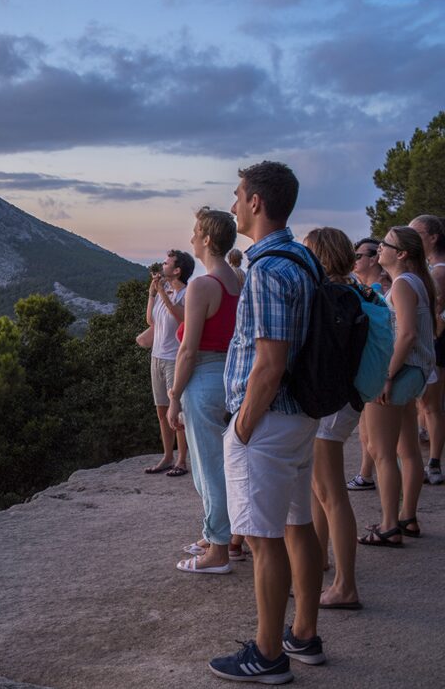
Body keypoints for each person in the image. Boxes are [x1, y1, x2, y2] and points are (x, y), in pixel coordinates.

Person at [208, 161, 324, 684]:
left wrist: (242, 428)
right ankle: (304, 635)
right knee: (298, 524)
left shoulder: (268, 270)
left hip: (269, 422)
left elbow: (270, 362)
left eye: (237, 195)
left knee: (262, 540)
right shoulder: (302, 259)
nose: (233, 205)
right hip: (300, 417)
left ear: (256, 202)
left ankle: (268, 654)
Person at [167, 208, 247, 573]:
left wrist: (172, 397)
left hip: (203, 378)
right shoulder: (237, 282)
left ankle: (218, 551)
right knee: (224, 462)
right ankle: (223, 534)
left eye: (196, 232)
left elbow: (188, 349)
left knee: (208, 466)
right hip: (231, 376)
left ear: (208, 240)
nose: (191, 240)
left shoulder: (203, 285)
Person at [303, 228, 370, 610]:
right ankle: (321, 559)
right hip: (346, 400)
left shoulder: (326, 295)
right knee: (320, 490)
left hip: (329, 405)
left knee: (331, 494)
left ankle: (345, 586)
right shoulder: (356, 291)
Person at [360, 225, 435, 546]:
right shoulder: (416, 281)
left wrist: (385, 376)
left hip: (398, 374)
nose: (379, 249)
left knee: (382, 452)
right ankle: (408, 517)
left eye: (385, 245)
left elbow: (406, 334)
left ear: (401, 254)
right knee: (406, 448)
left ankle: (389, 524)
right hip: (415, 373)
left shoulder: (403, 284)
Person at [144, 249, 194, 476]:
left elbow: (181, 318)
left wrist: (163, 294)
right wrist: (152, 293)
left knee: (177, 414)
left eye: (166, 264)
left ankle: (182, 460)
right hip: (157, 357)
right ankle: (167, 456)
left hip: (175, 359)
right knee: (162, 411)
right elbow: (150, 320)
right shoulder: (164, 292)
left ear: (177, 270)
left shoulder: (186, 294)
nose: (162, 266)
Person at [346, 238, 384, 491]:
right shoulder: (364, 288)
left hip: (376, 372)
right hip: (371, 373)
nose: (355, 259)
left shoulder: (379, 292)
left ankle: (392, 515)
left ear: (373, 259)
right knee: (367, 433)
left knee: (379, 441)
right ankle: (365, 473)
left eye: (359, 255)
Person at [410, 213, 445, 486]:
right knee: (427, 404)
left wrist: (429, 339)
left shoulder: (438, 271)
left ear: (433, 237)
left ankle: (434, 462)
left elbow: (437, 312)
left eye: (417, 234)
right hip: (434, 341)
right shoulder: (431, 268)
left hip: (437, 343)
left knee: (431, 405)